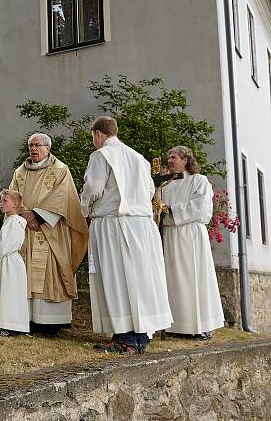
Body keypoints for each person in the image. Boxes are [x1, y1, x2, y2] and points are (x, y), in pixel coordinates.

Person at [80, 116, 172, 354]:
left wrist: (85, 208)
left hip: (114, 223)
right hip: (141, 226)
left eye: (93, 137)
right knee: (139, 279)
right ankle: (140, 337)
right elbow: (151, 191)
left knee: (117, 277)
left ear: (98, 134)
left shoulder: (101, 156)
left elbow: (93, 188)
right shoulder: (139, 159)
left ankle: (126, 338)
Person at [9, 133, 88, 337]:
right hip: (26, 229)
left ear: (48, 148)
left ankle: (50, 323)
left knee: (51, 273)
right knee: (24, 273)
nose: (33, 149)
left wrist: (37, 215)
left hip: (51, 231)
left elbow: (64, 197)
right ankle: (24, 319)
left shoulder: (61, 170)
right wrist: (26, 216)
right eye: (31, 146)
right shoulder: (20, 172)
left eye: (38, 145)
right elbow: (12, 196)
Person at [161, 146, 224, 339]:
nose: (170, 161)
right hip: (171, 236)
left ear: (186, 160)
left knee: (194, 279)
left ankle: (200, 326)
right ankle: (176, 326)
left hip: (191, 236)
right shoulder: (166, 185)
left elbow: (200, 207)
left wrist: (170, 210)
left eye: (174, 157)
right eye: (169, 158)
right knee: (173, 280)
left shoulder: (199, 181)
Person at [0, 189, 29, 336]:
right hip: (7, 261)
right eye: (0, 200)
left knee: (10, 293)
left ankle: (11, 327)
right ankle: (6, 326)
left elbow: (5, 246)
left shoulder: (15, 222)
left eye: (5, 201)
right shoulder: (9, 221)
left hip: (10, 263)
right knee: (6, 293)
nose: (1, 204)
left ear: (15, 204)